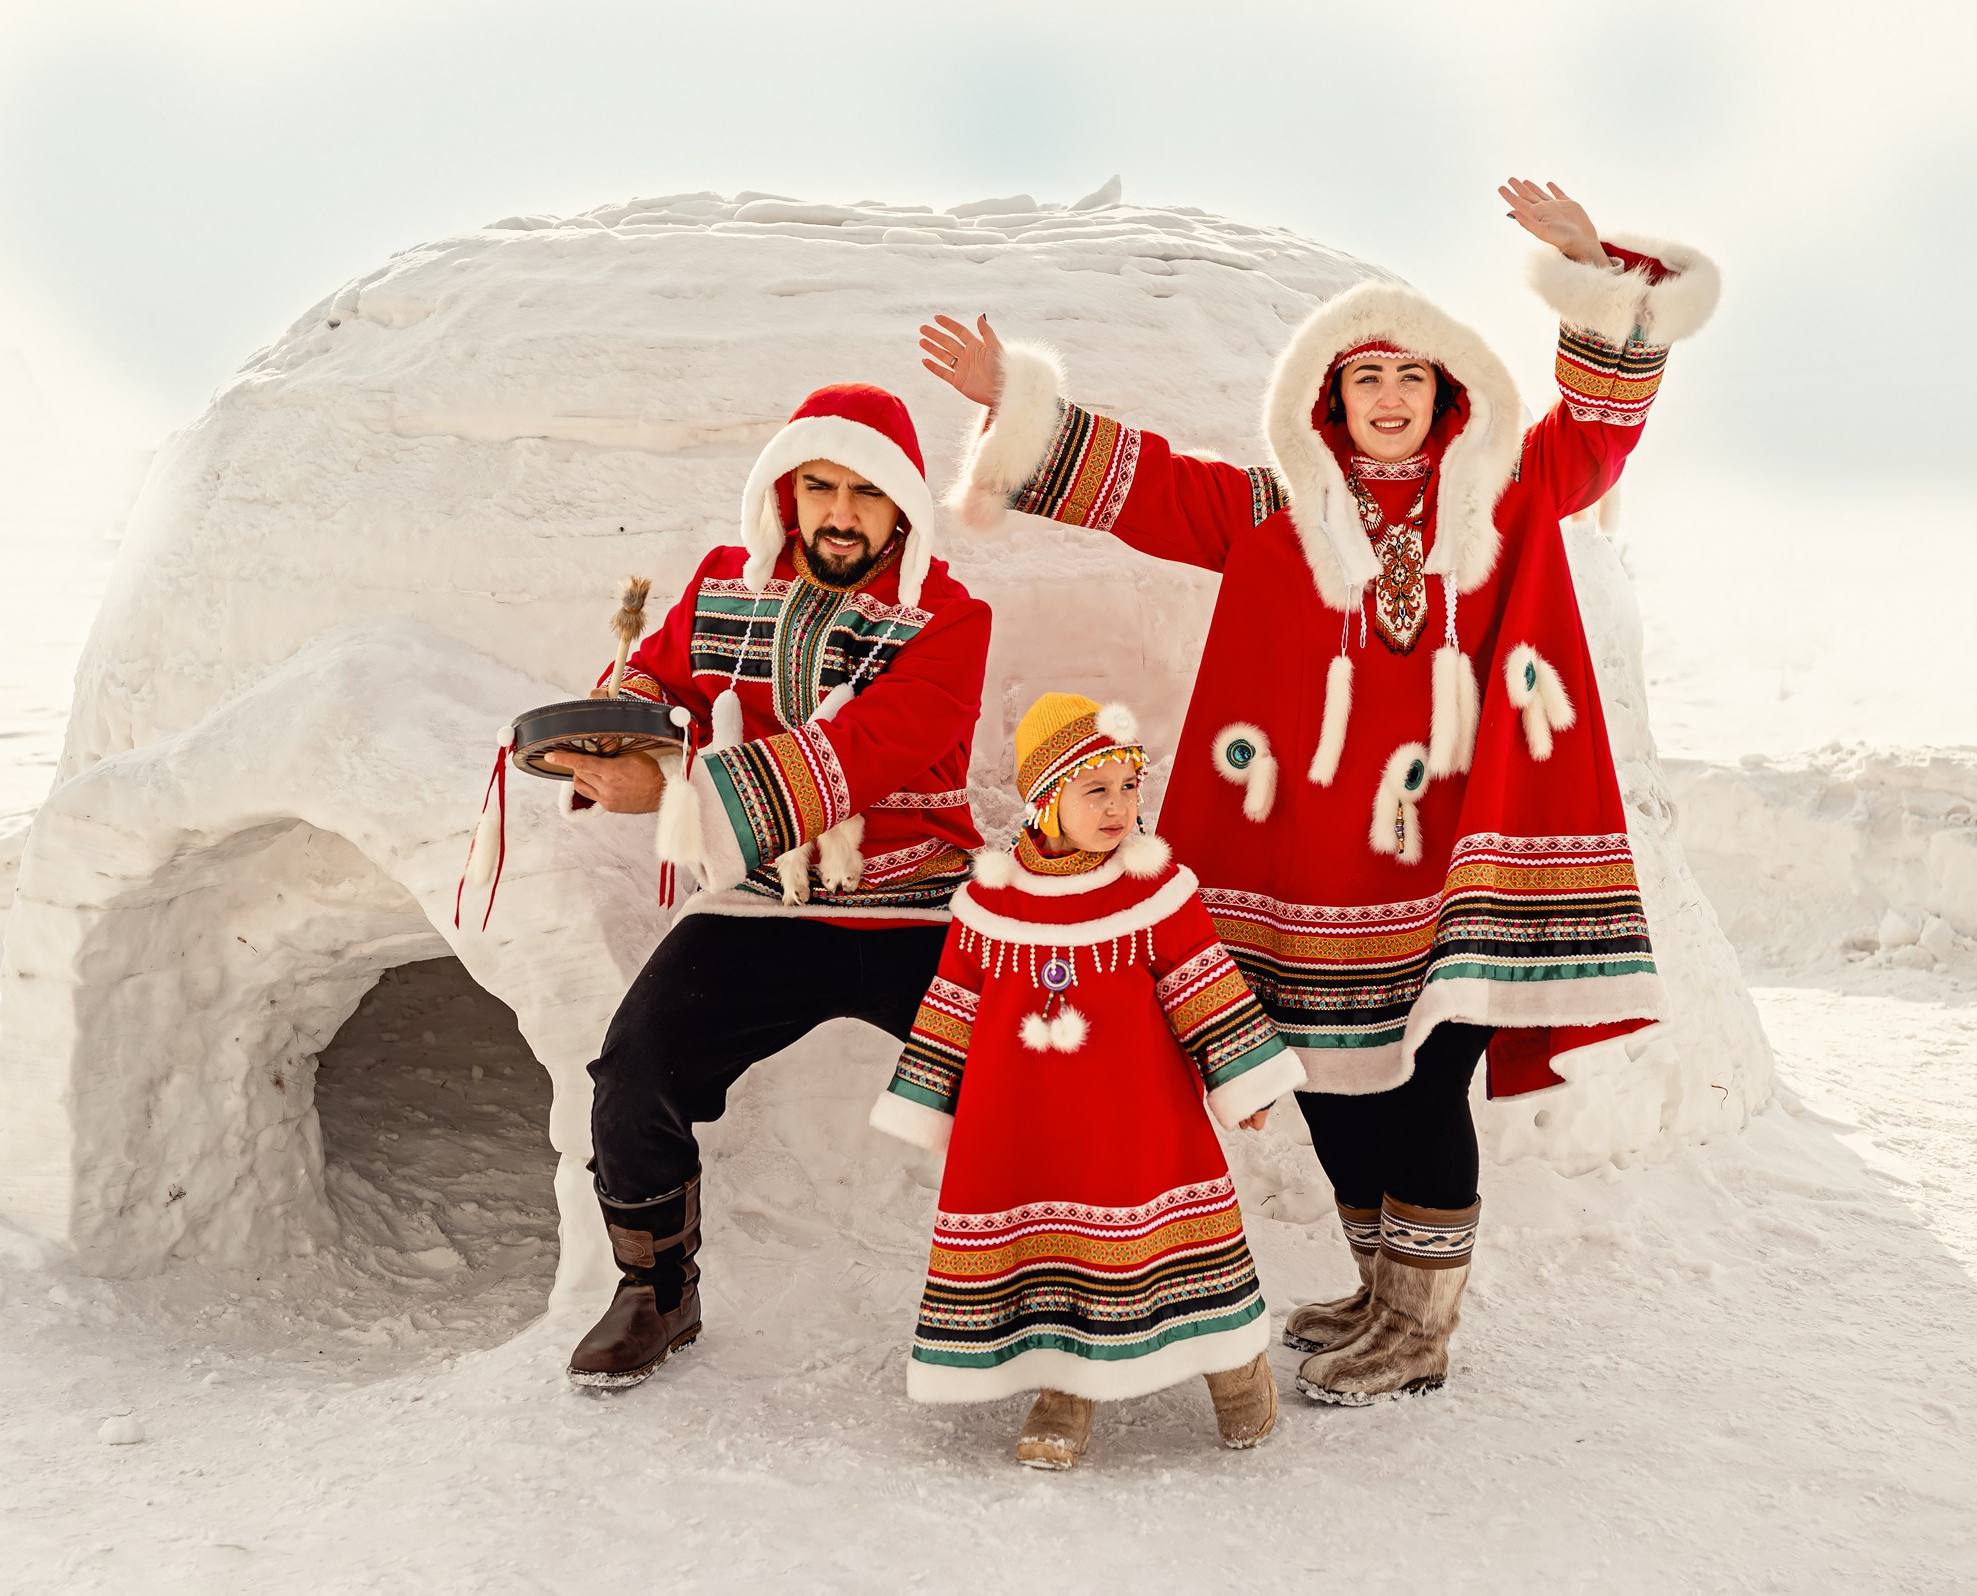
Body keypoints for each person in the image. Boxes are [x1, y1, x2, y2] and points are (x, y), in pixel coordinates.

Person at [917, 179, 1719, 1403]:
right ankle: (1382, 1286)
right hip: (1312, 872)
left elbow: (1600, 426)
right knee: (1334, 1085)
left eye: (1407, 379)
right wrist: (1015, 407)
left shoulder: (1512, 493)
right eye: (1362, 382)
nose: (1388, 401)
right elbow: (1142, 482)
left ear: (1445, 394)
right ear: (1325, 404)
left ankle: (1423, 1330)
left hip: (1464, 859)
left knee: (1422, 1081)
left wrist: (1591, 266)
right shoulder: (1270, 516)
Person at [550, 382, 992, 1389]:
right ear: (788, 492)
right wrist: (620, 717)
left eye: (865, 493)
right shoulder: (720, 586)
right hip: (764, 903)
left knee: (1020, 1087)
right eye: (819, 487)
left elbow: (864, 754)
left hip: (913, 900)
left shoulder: (950, 619)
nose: (840, 514)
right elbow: (665, 684)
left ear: (903, 506)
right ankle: (655, 1294)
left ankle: (1044, 1293)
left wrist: (664, 792)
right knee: (632, 1073)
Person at [870, 693, 1304, 1468]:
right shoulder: (989, 903)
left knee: (1181, 1250)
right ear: (1044, 800)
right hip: (1025, 1128)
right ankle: (1063, 1388)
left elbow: (1204, 984)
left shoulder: (1154, 892)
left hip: (1142, 1124)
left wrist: (1245, 1081)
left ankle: (1237, 1368)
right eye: (1093, 788)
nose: (1117, 807)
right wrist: (927, 1109)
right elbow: (952, 1010)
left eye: (1128, 785)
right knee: (1052, 1259)